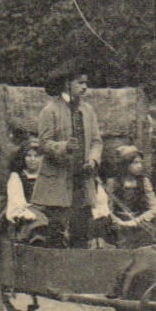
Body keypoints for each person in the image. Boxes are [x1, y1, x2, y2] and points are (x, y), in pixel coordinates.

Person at [33, 71, 102, 248]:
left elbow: (96, 141)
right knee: (57, 231)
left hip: (82, 181)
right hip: (57, 182)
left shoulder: (88, 111)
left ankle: (76, 271)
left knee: (82, 230)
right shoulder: (50, 111)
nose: (84, 87)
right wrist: (64, 147)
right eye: (80, 83)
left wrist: (93, 160)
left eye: (86, 83)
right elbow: (44, 143)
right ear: (67, 84)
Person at [104, 144, 156, 248]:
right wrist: (119, 222)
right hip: (118, 224)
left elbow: (155, 209)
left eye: (140, 162)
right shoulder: (113, 182)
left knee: (148, 237)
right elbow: (107, 209)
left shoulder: (144, 182)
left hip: (138, 223)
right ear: (125, 165)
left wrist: (136, 221)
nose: (140, 166)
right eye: (135, 163)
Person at [0, 140, 50, 245]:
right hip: (27, 215)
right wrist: (30, 213)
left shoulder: (45, 177)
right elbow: (17, 203)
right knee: (37, 222)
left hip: (45, 212)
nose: (32, 159)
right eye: (29, 156)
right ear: (23, 157)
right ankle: (36, 243)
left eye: (36, 156)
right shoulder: (17, 177)